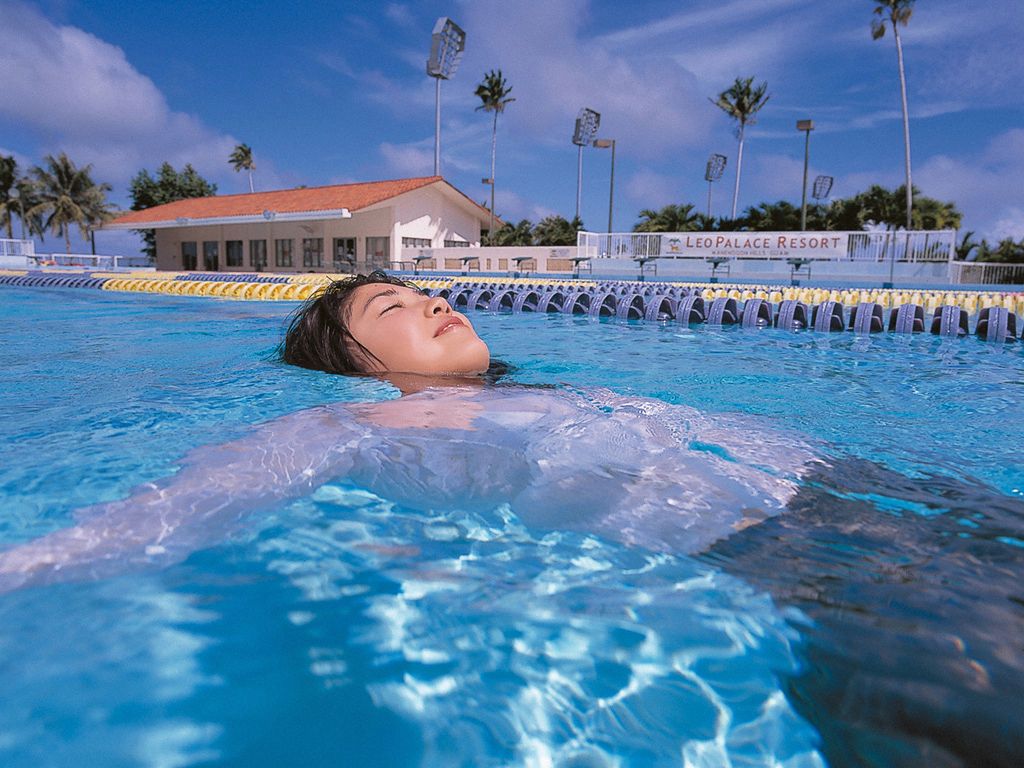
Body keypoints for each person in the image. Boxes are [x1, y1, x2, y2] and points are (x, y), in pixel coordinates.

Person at [0, 272, 819, 590]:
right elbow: (189, 504)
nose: (433, 302)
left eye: (424, 293)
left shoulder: (555, 389)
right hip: (770, 557)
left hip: (841, 498)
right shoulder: (352, 421)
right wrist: (27, 565)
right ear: (351, 363)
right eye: (391, 307)